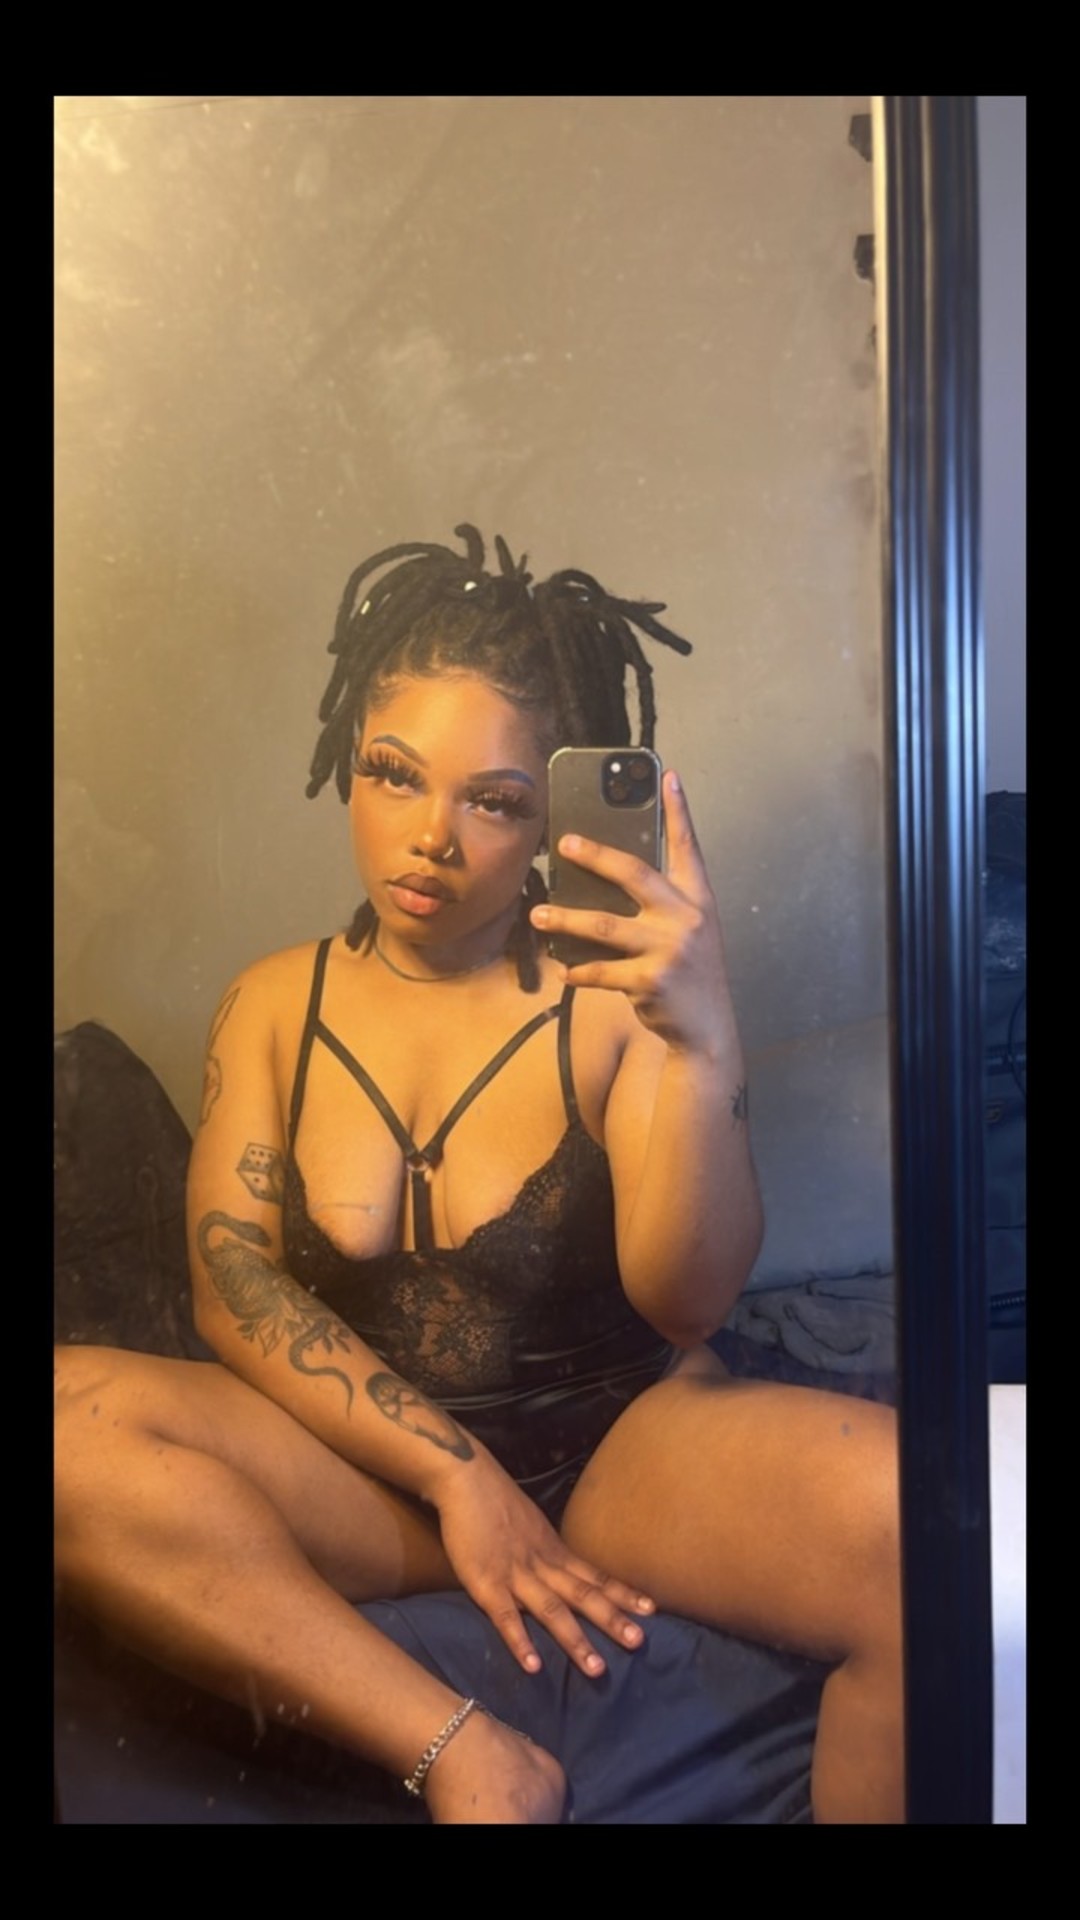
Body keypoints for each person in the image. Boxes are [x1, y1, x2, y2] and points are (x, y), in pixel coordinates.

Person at [54, 525, 902, 1824]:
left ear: (552, 814)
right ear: (349, 758)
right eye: (395, 775)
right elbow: (231, 1290)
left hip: (619, 1448)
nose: (432, 838)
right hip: (375, 1480)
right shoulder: (273, 1005)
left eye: (494, 801)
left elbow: (686, 1303)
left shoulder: (616, 1003)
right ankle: (473, 1758)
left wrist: (701, 1038)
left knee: (922, 1531)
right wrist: (460, 1480)